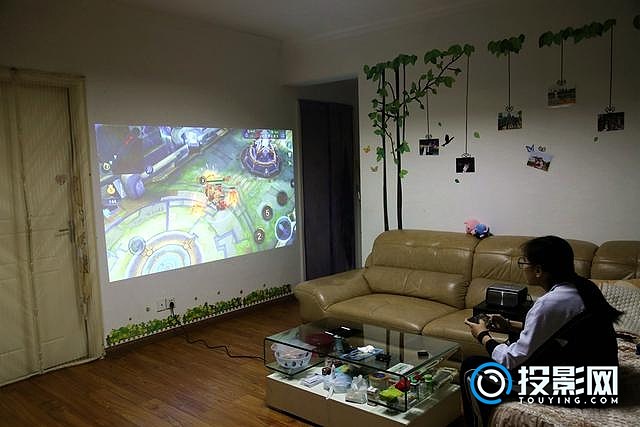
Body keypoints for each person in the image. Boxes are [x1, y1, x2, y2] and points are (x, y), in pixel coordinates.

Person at [461, 235, 622, 426]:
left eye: (524, 262)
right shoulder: (583, 287)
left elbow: (509, 360)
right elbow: (558, 331)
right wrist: (509, 325)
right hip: (603, 381)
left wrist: (482, 335)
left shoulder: (551, 303)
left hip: (583, 389)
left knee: (473, 368)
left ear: (538, 270)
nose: (523, 267)